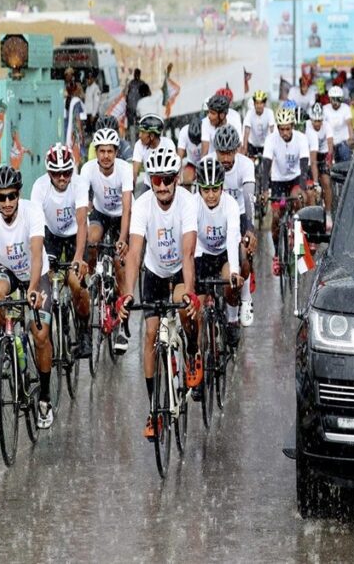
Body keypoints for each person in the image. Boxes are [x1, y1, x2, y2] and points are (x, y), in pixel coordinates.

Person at [115, 146, 202, 440]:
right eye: (156, 180)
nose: (162, 186)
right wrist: (127, 294)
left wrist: (190, 293)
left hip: (179, 271)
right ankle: (153, 409)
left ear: (176, 179)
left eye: (167, 179)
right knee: (151, 335)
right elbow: (134, 253)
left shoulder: (188, 203)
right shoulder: (142, 205)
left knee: (182, 304)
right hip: (153, 273)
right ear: (150, 181)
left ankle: (192, 351)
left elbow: (188, 253)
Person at [0, 166, 55, 429]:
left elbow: (36, 253)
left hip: (36, 272)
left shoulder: (32, 211)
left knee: (40, 336)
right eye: (1, 197)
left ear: (19, 194)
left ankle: (44, 398)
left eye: (12, 195)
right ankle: (5, 348)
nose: (7, 202)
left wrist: (32, 288)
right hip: (8, 269)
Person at [31, 144, 92, 358]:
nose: (62, 177)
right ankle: (55, 318)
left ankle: (84, 333)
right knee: (48, 279)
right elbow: (36, 228)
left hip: (75, 234)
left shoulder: (79, 184)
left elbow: (82, 222)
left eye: (66, 172)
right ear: (49, 172)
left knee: (76, 283)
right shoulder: (39, 187)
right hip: (51, 235)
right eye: (57, 173)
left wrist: (78, 258)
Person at [82, 128, 133, 351]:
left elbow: (127, 206)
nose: (105, 156)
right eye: (101, 151)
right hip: (101, 213)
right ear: (96, 152)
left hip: (121, 215)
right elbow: (83, 204)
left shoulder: (124, 169)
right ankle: (95, 277)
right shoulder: (87, 169)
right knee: (92, 239)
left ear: (116, 152)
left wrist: (122, 239)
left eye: (109, 151)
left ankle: (122, 324)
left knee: (121, 264)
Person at [208, 126, 258, 326]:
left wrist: (250, 229)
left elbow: (248, 198)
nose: (226, 158)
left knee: (244, 254)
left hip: (240, 213)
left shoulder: (246, 165)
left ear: (237, 150)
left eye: (230, 153)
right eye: (222, 153)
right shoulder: (208, 162)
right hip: (217, 214)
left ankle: (245, 298)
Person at [194, 157, 244, 349]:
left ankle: (232, 320)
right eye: (206, 190)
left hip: (224, 253)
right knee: (197, 310)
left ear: (222, 187)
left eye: (215, 189)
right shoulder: (192, 204)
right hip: (202, 254)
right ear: (199, 189)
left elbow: (232, 239)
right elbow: (189, 240)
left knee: (230, 285)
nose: (211, 195)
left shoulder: (230, 205)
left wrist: (234, 272)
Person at [260, 107, 310, 276]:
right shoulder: (271, 139)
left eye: (288, 128)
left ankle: (299, 237)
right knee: (276, 216)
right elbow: (266, 165)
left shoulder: (301, 138)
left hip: (295, 180)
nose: (285, 133)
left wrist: (302, 187)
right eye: (281, 129)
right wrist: (264, 190)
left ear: (293, 126)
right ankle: (277, 254)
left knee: (298, 199)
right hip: (278, 184)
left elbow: (304, 165)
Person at [131, 114, 175, 193]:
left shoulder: (168, 144)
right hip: (148, 185)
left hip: (165, 184)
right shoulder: (139, 144)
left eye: (142, 132)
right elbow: (134, 171)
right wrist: (131, 191)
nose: (139, 135)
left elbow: (174, 171)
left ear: (151, 136)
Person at [306, 105, 334, 213]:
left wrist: (329, 158)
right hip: (310, 154)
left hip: (323, 154)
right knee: (310, 186)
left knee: (326, 182)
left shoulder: (327, 126)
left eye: (319, 121)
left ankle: (328, 212)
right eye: (315, 121)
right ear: (311, 119)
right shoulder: (307, 125)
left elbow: (330, 143)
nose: (317, 124)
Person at [200, 91, 243, 157]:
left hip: (230, 157)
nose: (209, 116)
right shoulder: (205, 122)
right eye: (208, 112)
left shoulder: (235, 119)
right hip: (213, 158)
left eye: (212, 113)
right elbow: (204, 151)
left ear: (222, 115)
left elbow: (239, 147)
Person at [323, 86, 354, 163]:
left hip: (343, 141)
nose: (335, 102)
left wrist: (351, 138)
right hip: (329, 142)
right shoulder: (325, 109)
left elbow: (349, 124)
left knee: (345, 160)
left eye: (338, 99)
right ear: (330, 99)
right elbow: (322, 127)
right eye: (333, 99)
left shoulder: (346, 108)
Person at [242, 90, 275, 160]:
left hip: (265, 145)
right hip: (252, 144)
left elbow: (272, 131)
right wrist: (245, 148)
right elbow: (246, 131)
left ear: (264, 104)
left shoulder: (269, 113)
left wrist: (274, 147)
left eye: (261, 103)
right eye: (257, 103)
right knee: (251, 162)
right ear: (254, 104)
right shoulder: (250, 113)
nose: (259, 106)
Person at [176, 118, 204, 189]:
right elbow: (179, 157)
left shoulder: (207, 130)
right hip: (192, 162)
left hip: (206, 160)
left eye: (198, 142)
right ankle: (187, 194)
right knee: (186, 179)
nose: (196, 144)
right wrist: (177, 176)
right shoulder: (183, 132)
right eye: (194, 142)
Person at [84, 70, 102, 137]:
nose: (87, 81)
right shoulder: (88, 88)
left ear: (92, 79)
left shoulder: (96, 88)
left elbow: (96, 102)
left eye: (89, 79)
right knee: (88, 133)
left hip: (93, 114)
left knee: (94, 133)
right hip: (88, 114)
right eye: (87, 79)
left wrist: (93, 115)